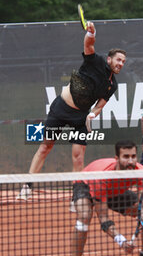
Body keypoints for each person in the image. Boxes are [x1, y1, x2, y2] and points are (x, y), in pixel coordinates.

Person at [17, 21, 126, 200]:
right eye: (118, 59)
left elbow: (100, 105)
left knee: (78, 157)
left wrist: (93, 114)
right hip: (60, 109)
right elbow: (88, 44)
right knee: (45, 147)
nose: (121, 63)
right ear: (109, 59)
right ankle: (27, 187)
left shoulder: (112, 85)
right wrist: (91, 32)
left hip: (81, 118)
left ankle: (77, 196)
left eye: (123, 61)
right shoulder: (96, 60)